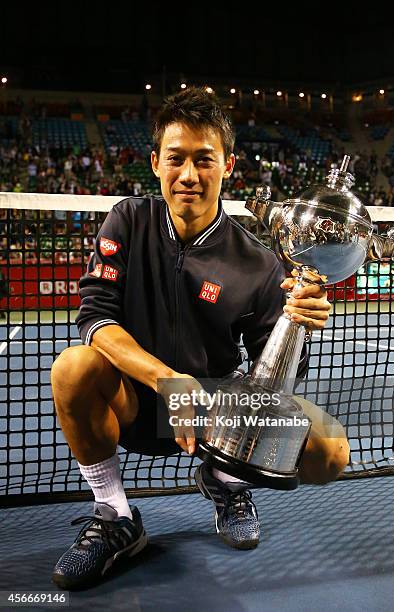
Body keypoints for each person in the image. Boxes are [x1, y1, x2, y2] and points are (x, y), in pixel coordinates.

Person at [50, 87, 349, 590]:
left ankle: (224, 479)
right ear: (155, 163)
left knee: (331, 451)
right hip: (136, 400)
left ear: (228, 165)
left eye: (204, 160)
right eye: (177, 159)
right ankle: (116, 515)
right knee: (72, 368)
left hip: (215, 415)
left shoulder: (259, 260)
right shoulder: (127, 219)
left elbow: (275, 381)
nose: (189, 174)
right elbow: (96, 320)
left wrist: (296, 323)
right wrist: (168, 380)